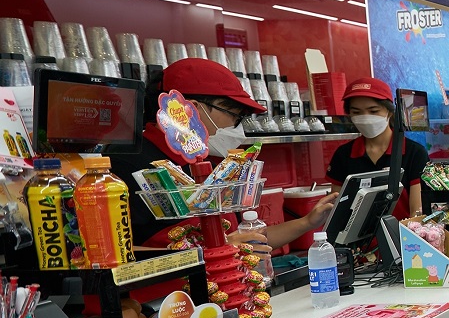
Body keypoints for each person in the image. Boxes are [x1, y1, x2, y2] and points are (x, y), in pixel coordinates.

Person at [111, 57, 335, 249]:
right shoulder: (125, 166)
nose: (237, 126)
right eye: (234, 115)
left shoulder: (205, 164)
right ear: (192, 109)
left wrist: (307, 222)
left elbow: (244, 239)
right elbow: (118, 257)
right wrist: (216, 251)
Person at [327, 77, 429, 220]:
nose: (365, 118)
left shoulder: (414, 153)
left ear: (390, 111)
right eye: (356, 112)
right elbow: (337, 209)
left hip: (402, 232)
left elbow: (417, 213)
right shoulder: (343, 155)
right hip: (355, 234)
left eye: (373, 111)